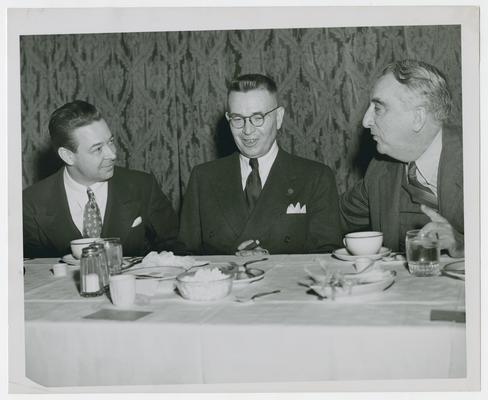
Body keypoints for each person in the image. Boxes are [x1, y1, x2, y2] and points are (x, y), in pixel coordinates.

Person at [178, 73, 342, 255]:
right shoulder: (203, 178)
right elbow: (186, 257)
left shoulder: (316, 178)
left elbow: (326, 259)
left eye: (257, 118)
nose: (247, 130)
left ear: (279, 117)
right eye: (238, 119)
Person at [23, 100, 180, 257]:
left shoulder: (143, 186)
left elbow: (178, 249)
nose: (112, 154)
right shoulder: (31, 203)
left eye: (110, 142)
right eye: (97, 149)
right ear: (68, 156)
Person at [339, 59, 463, 257]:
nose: (365, 121)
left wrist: (462, 244)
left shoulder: (478, 157)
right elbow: (334, 219)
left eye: (378, 108)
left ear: (418, 118)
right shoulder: (381, 169)